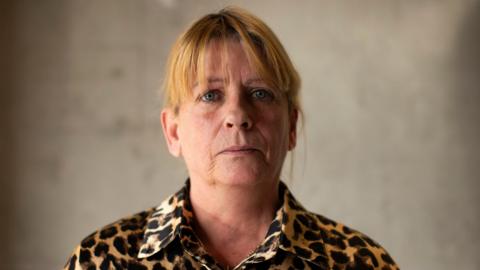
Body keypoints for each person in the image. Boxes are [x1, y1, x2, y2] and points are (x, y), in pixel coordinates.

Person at [64, 6, 399, 270]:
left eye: (260, 93)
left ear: (292, 126)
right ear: (173, 131)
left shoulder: (359, 262)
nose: (238, 115)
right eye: (210, 95)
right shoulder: (102, 261)